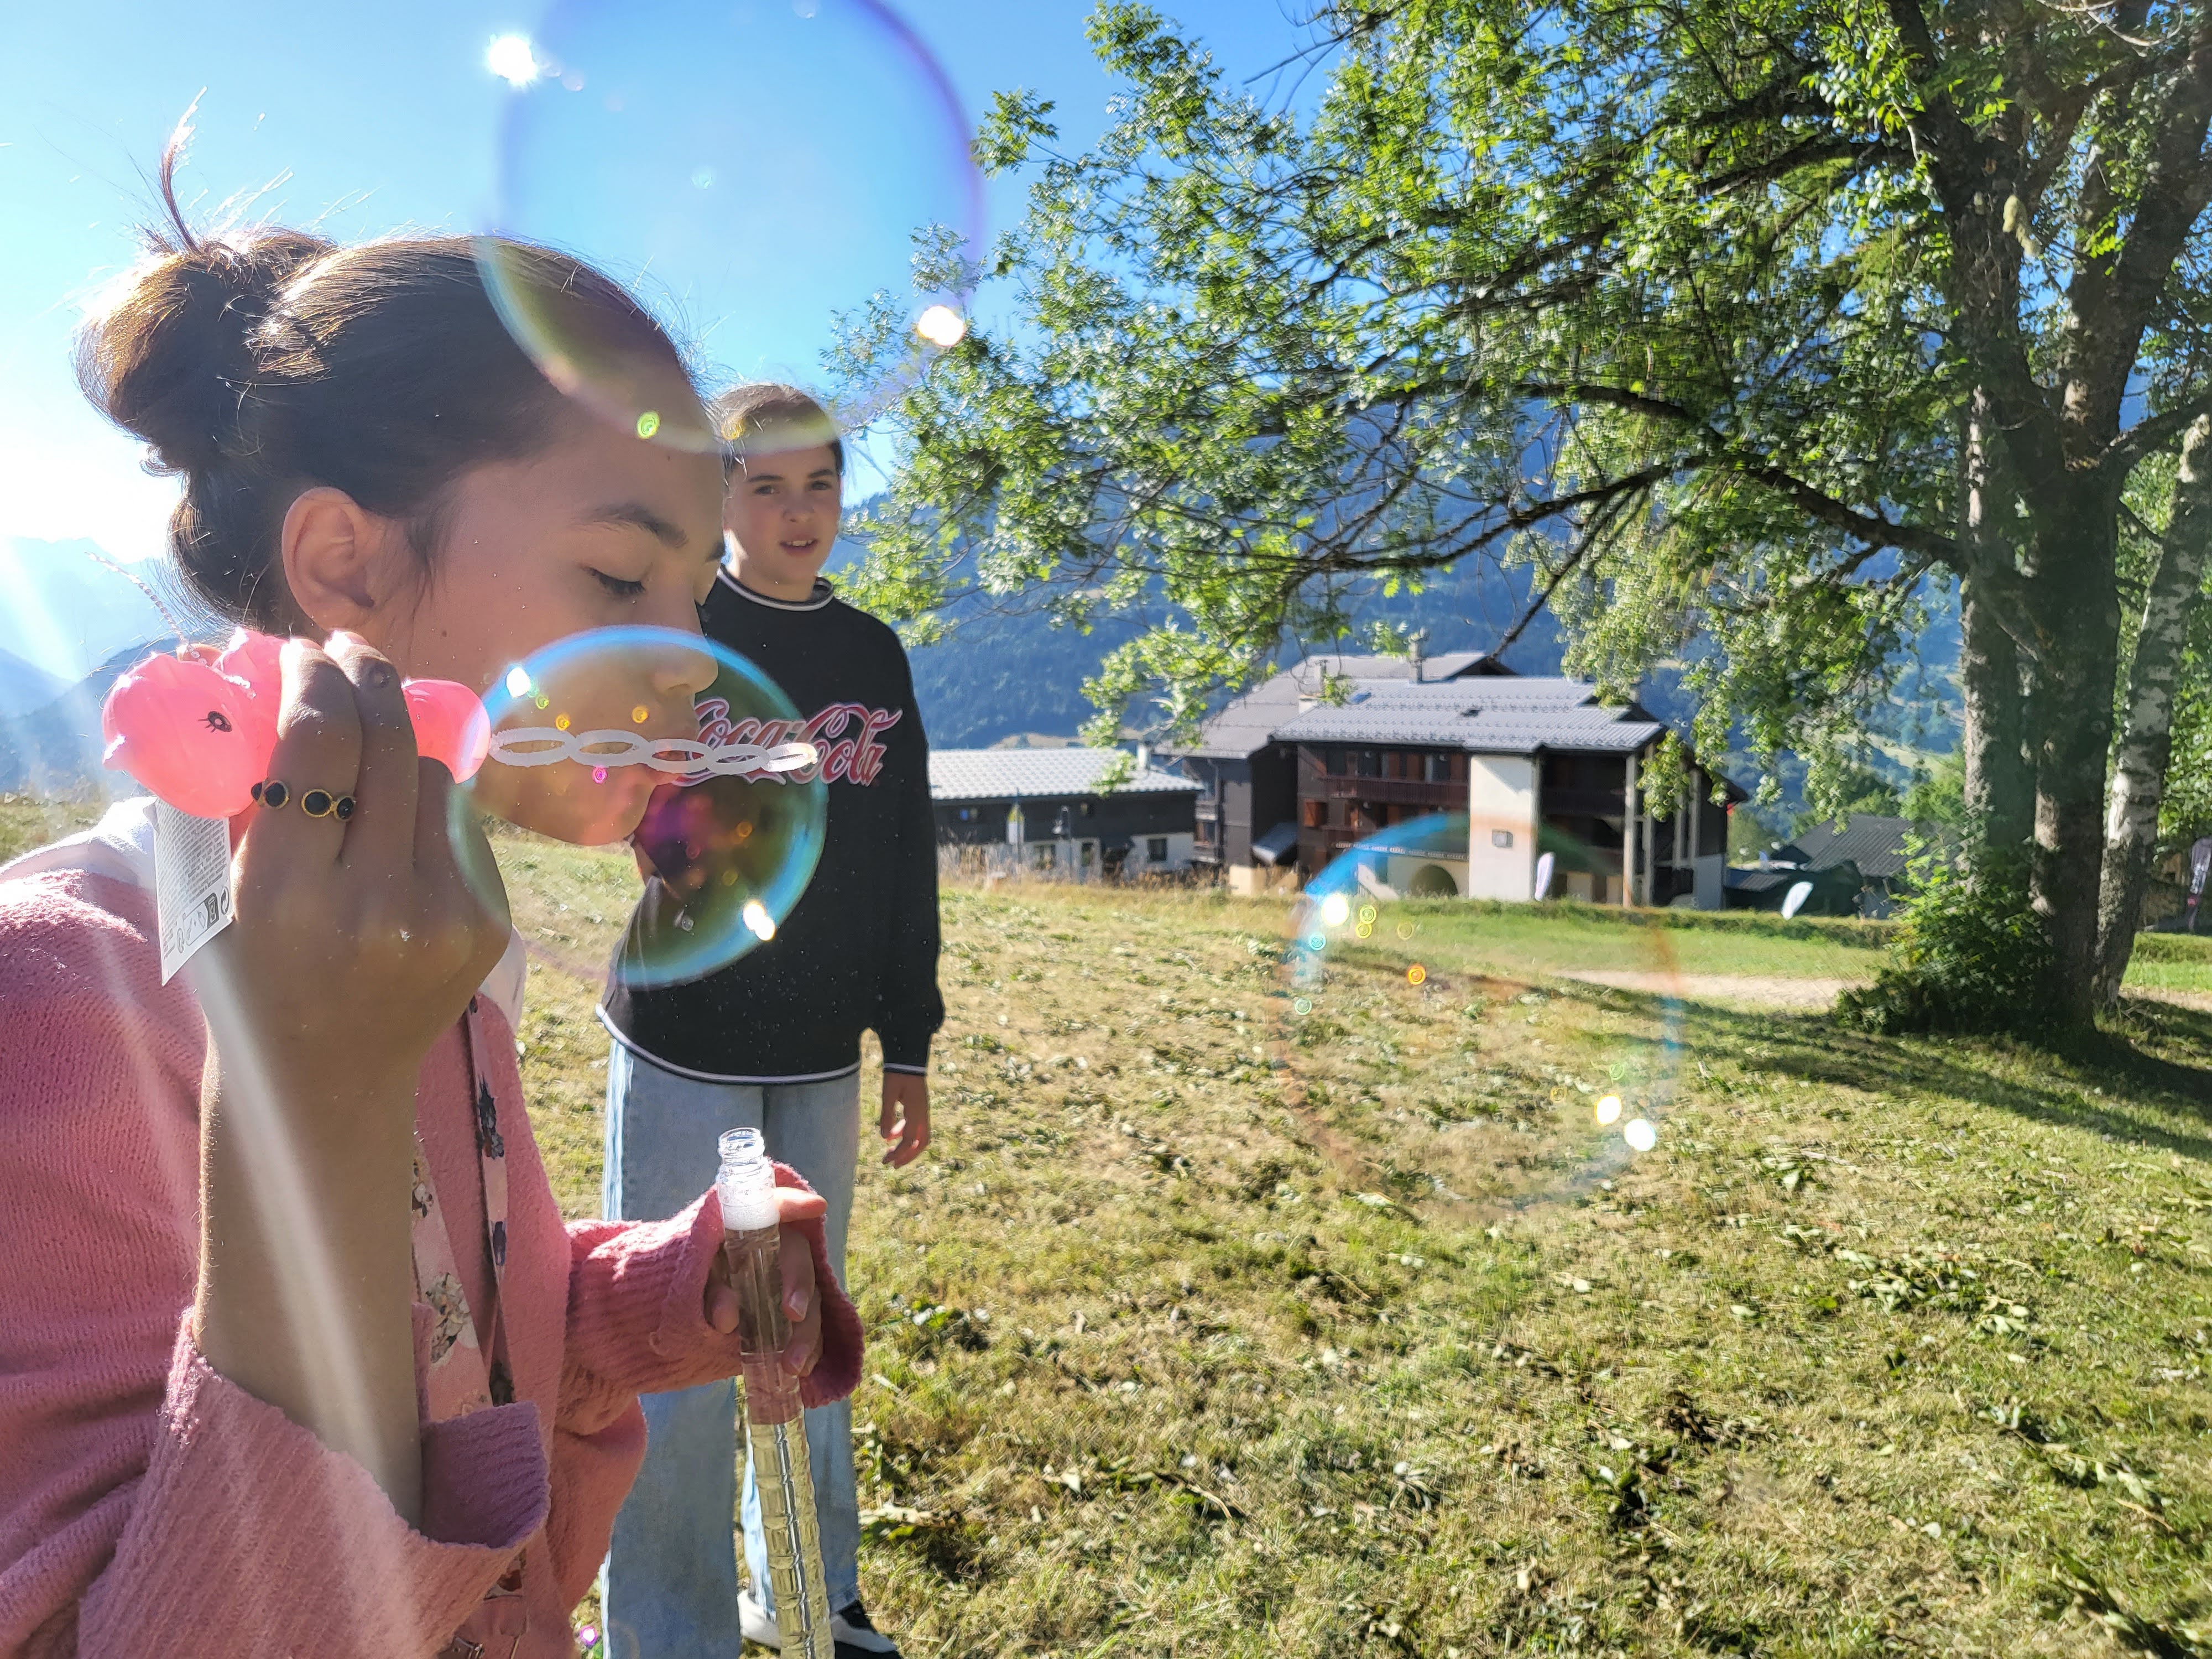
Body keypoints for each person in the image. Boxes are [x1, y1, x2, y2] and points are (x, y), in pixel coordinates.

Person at [0, 158, 864, 1659]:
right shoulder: (66, 998)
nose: (683, 662)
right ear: (344, 565)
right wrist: (307, 1096)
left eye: (696, 589)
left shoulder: (435, 955)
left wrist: (666, 1297)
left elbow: (454, 1338)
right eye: (615, 573)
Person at [598, 384, 943, 1658]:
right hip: (684, 1035)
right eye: (765, 486)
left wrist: (906, 1038)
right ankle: (665, 1631)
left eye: (820, 485)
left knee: (804, 1339)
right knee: (676, 1335)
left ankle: (808, 1597)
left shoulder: (872, 656)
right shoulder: (677, 631)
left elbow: (906, 849)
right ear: (719, 495)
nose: (798, 514)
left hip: (820, 1055)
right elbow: (617, 801)